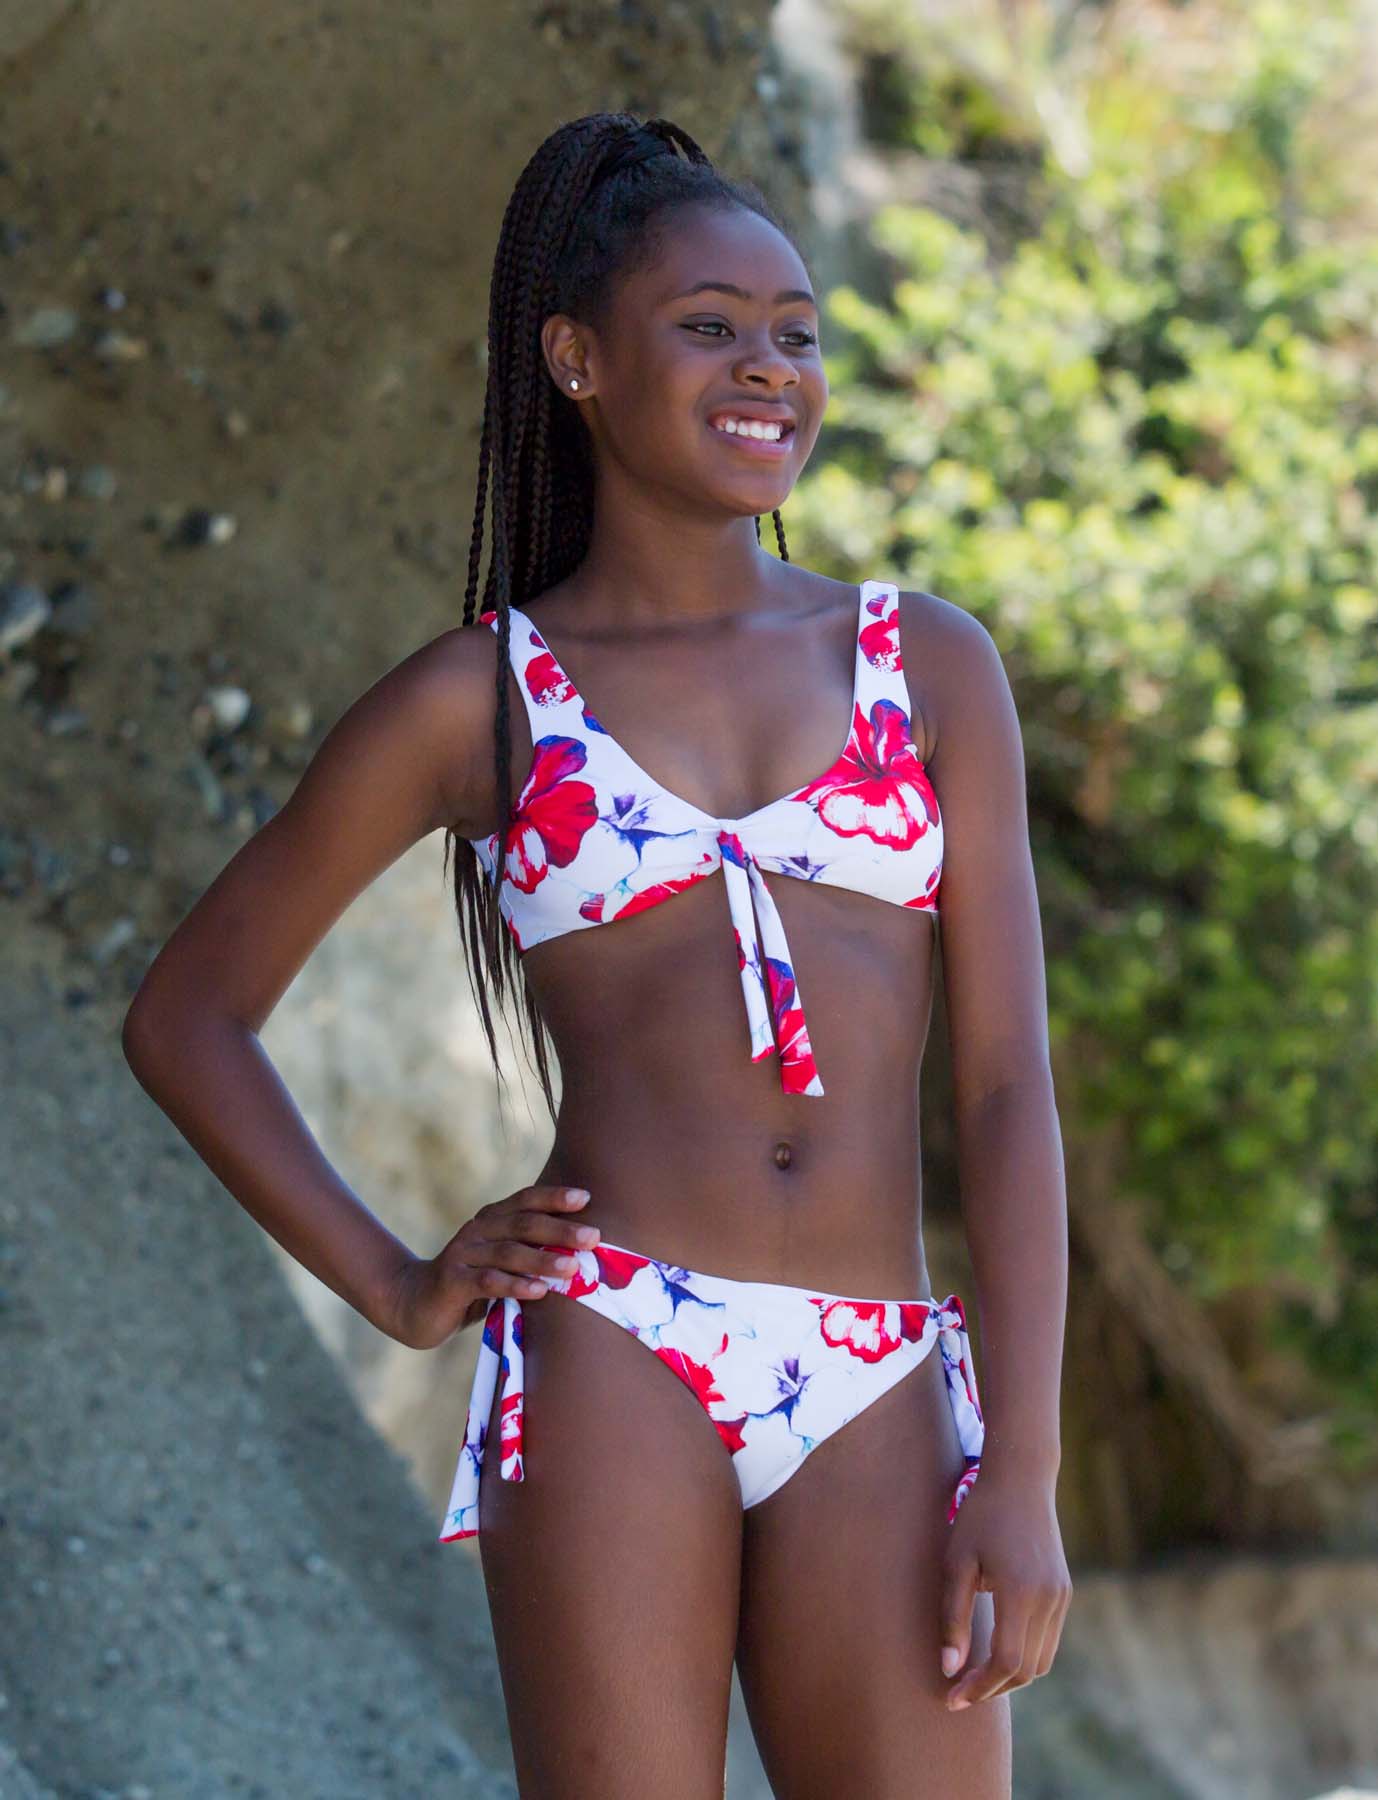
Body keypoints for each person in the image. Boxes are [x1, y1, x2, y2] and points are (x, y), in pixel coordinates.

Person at [122, 110, 1071, 1799]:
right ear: (573, 358)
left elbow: (1005, 1093)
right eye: (707, 327)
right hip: (612, 1343)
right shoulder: (476, 699)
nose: (765, 367)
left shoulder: (925, 663)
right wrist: (402, 1284)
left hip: (874, 1365)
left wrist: (1023, 1471)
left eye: (794, 333)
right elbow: (191, 1017)